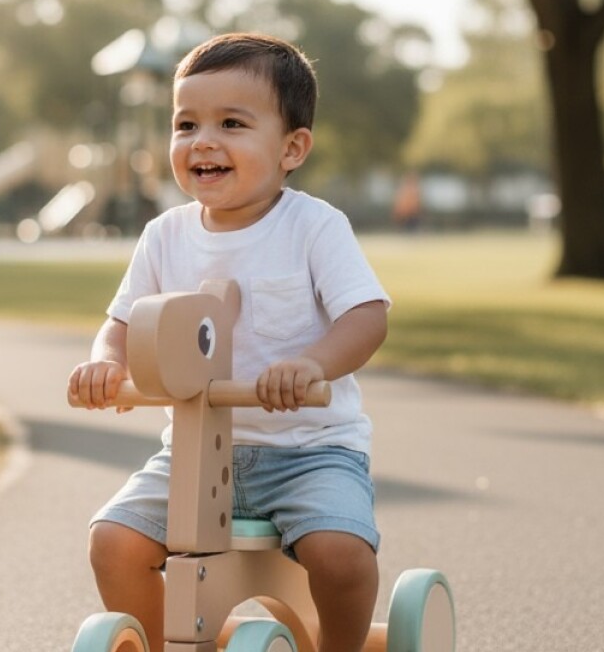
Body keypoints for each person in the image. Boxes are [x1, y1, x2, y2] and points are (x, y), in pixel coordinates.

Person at [68, 32, 390, 652]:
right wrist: (104, 364)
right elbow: (122, 322)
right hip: (192, 456)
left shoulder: (313, 227)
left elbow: (367, 316)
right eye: (185, 124)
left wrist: (310, 366)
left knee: (341, 555)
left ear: (292, 148)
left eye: (232, 123)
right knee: (113, 541)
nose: (203, 141)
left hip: (309, 451)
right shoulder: (165, 236)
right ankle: (165, 643)